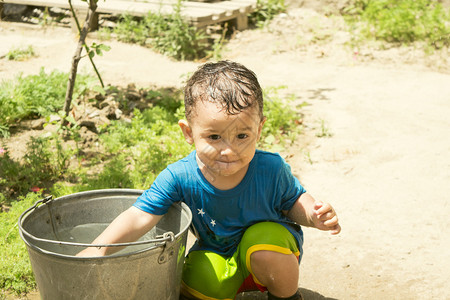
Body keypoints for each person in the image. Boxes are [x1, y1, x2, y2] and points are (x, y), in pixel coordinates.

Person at [77, 60, 341, 300]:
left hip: (269, 254)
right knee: (196, 282)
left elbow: (293, 200)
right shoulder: (179, 176)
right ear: (189, 133)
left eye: (242, 136)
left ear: (259, 129)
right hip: (218, 256)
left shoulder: (270, 168)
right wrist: (98, 249)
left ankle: (285, 297)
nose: (229, 150)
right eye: (214, 137)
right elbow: (139, 215)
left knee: (264, 239)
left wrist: (313, 215)